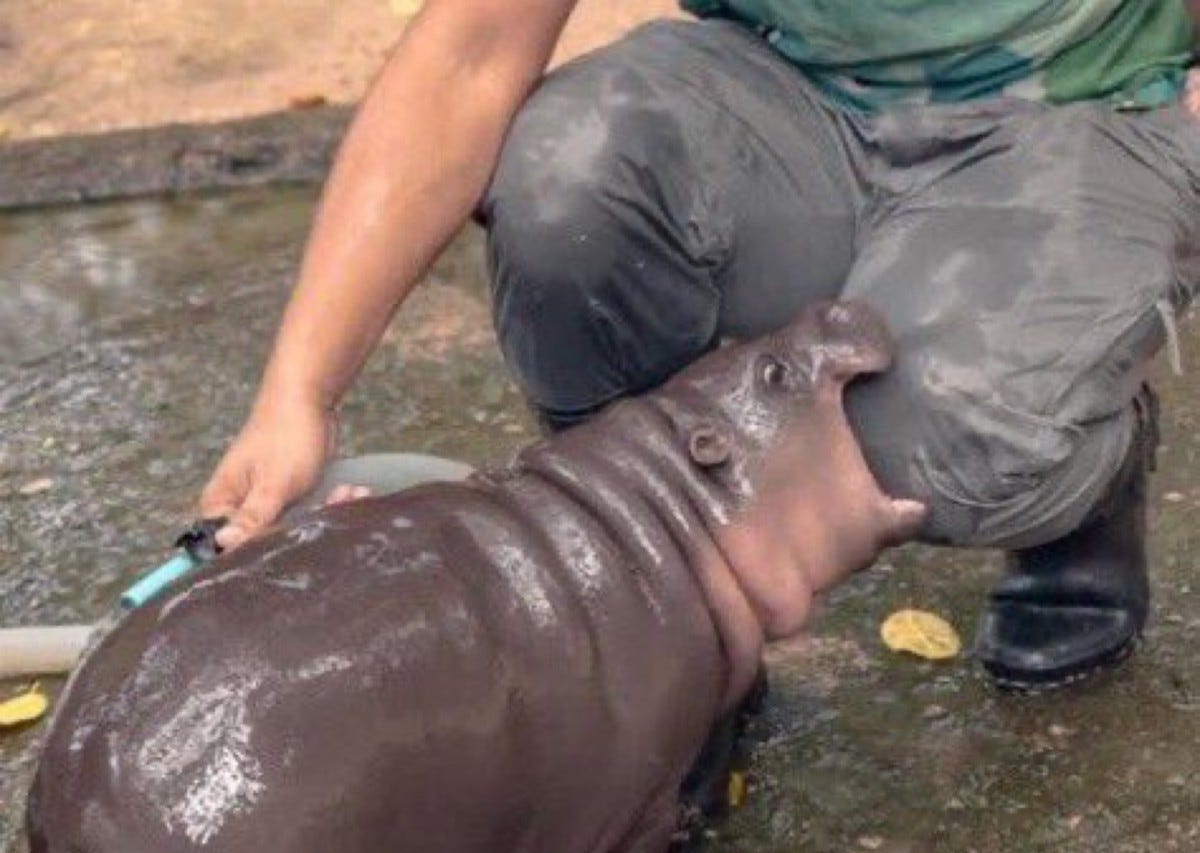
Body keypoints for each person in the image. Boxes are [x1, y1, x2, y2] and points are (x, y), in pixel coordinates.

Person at [202, 1, 1198, 703]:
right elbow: (470, 53)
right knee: (568, 188)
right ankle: (670, 636)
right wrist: (300, 391)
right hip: (791, 96)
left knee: (926, 443)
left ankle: (1086, 476)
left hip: (1075, 116)